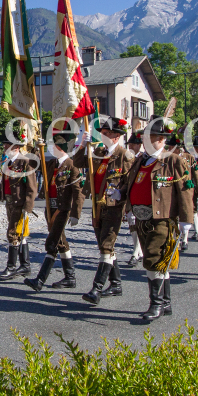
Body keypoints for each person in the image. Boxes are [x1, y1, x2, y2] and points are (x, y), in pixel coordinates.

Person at [117, 118, 191, 321]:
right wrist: (121, 194)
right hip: (140, 217)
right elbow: (131, 182)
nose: (145, 141)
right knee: (160, 262)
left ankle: (155, 304)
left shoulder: (173, 161)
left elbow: (185, 191)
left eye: (149, 138)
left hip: (162, 218)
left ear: (161, 139)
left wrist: (186, 220)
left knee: (152, 259)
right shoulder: (141, 160)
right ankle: (165, 303)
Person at [76, 117, 136, 304]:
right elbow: (78, 163)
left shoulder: (125, 156)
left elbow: (130, 183)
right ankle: (116, 283)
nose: (104, 136)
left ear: (117, 136)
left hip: (114, 207)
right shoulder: (99, 153)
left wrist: (123, 196)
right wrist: (82, 145)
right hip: (97, 206)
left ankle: (97, 288)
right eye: (103, 133)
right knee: (105, 245)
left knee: (106, 246)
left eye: (108, 133)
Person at [25, 132, 85, 292]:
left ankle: (39, 280)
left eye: (53, 146)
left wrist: (75, 213)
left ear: (60, 147)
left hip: (61, 209)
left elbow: (78, 191)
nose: (51, 148)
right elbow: (35, 163)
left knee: (52, 243)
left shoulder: (72, 165)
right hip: (49, 208)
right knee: (61, 242)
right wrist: (36, 147)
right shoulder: (52, 164)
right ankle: (70, 277)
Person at [0, 135, 39, 280]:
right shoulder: (8, 163)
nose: (5, 148)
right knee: (20, 234)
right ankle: (25, 266)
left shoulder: (25, 162)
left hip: (19, 204)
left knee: (13, 233)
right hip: (9, 202)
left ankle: (11, 267)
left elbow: (32, 188)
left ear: (16, 148)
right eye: (5, 146)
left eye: (8, 146)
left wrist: (28, 207)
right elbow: (3, 184)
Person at [124, 132, 146, 268]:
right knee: (132, 223)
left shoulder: (143, 158)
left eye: (133, 144)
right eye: (129, 144)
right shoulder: (127, 158)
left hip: (140, 194)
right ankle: (137, 250)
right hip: (128, 194)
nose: (130, 146)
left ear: (139, 145)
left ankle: (136, 252)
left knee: (139, 224)